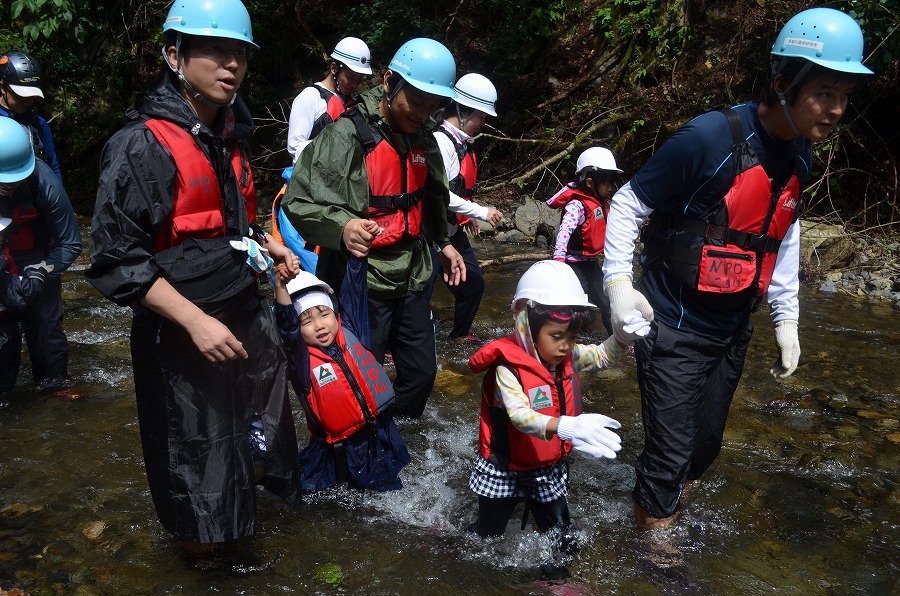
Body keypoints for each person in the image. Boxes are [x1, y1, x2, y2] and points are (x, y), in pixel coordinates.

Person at [601, 7, 874, 529]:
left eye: (845, 96)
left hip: (731, 329)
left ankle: (670, 515)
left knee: (703, 450)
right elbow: (629, 202)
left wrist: (786, 318)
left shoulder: (800, 154)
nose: (837, 109)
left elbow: (781, 234)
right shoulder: (708, 138)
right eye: (824, 93)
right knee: (667, 460)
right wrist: (617, 284)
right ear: (782, 83)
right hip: (673, 325)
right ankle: (656, 557)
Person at [86, 0, 301, 550]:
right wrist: (194, 322)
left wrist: (265, 245)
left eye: (240, 55)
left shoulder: (229, 131)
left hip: (240, 314)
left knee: (254, 451)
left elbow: (222, 224)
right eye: (216, 52)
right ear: (174, 54)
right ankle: (205, 564)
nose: (232, 66)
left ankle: (247, 544)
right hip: (181, 334)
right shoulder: (140, 146)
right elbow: (114, 260)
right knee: (199, 469)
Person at [281, 37, 468, 419]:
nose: (422, 113)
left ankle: (394, 436)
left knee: (420, 374)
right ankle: (364, 441)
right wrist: (343, 226)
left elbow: (431, 197)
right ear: (388, 83)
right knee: (359, 375)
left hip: (413, 273)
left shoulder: (425, 138)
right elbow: (297, 201)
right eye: (415, 101)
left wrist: (443, 243)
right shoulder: (346, 135)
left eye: (432, 105)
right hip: (362, 279)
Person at [467, 260, 649, 574]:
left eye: (572, 337)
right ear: (526, 324)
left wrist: (622, 337)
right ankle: (455, 541)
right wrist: (567, 425)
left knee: (561, 538)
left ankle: (556, 581)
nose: (566, 346)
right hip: (504, 466)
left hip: (545, 467)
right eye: (557, 336)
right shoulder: (506, 369)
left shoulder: (567, 356)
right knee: (489, 535)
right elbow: (520, 417)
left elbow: (602, 356)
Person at [272, 270, 410, 492]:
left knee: (390, 491)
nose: (319, 325)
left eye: (324, 315)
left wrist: (357, 257)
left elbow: (355, 294)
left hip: (380, 433)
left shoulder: (353, 333)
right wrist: (280, 288)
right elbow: (288, 329)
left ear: (334, 314)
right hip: (342, 449)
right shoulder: (301, 361)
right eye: (307, 321)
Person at [0, 117, 80, 395]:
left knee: (47, 335)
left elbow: (71, 244)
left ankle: (55, 397)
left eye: (13, 178)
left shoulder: (44, 183)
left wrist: (43, 270)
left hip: (39, 261)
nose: (8, 186)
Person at [429, 72, 504, 341]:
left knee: (472, 283)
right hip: (429, 234)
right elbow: (440, 194)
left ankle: (459, 336)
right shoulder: (441, 142)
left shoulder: (463, 144)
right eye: (481, 116)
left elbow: (458, 191)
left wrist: (465, 215)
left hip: (451, 228)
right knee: (415, 295)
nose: (483, 123)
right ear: (462, 111)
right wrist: (480, 212)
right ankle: (389, 348)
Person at [546, 147, 623, 336]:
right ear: (590, 182)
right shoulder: (576, 205)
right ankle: (573, 339)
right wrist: (559, 262)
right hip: (572, 265)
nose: (610, 188)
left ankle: (617, 341)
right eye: (607, 184)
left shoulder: (601, 202)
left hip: (589, 262)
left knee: (607, 302)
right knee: (578, 305)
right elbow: (564, 232)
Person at [286, 36, 372, 162]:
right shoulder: (311, 96)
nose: (354, 84)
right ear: (334, 68)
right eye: (350, 77)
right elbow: (295, 146)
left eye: (359, 79)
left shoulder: (353, 103)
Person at [0, 50, 62, 182]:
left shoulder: (38, 124)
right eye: (20, 95)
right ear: (3, 88)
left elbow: (53, 167)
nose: (26, 101)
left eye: (31, 96)